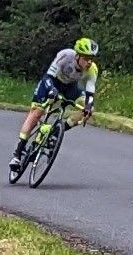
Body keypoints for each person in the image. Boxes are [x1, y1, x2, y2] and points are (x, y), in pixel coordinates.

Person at [10, 38, 99, 171]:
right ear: (78, 55)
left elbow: (90, 91)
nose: (89, 62)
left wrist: (87, 107)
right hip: (51, 82)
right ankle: (18, 153)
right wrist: (51, 90)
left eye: (91, 58)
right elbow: (48, 76)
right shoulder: (65, 55)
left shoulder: (92, 69)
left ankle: (57, 131)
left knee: (88, 109)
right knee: (36, 113)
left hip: (70, 87)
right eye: (86, 58)